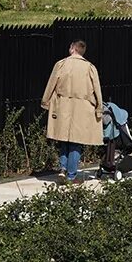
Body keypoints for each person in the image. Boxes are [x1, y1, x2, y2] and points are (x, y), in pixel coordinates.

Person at [41, 39, 104, 183]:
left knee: (64, 139)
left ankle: (63, 168)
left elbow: (51, 83)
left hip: (63, 104)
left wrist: (46, 102)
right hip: (82, 107)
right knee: (76, 141)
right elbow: (97, 89)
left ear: (72, 49)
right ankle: (71, 175)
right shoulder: (90, 67)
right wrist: (99, 108)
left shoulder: (61, 64)